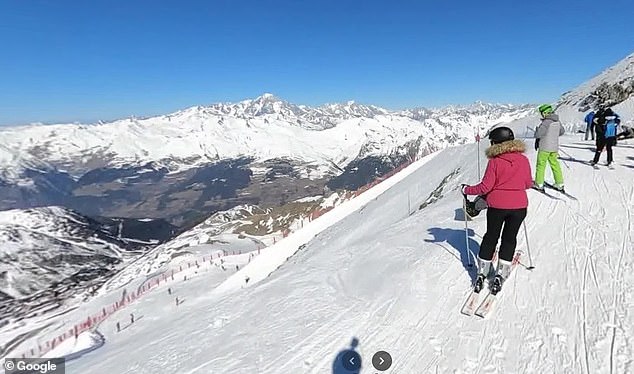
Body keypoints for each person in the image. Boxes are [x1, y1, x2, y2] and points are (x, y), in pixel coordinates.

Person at [461, 126, 533, 294]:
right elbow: (528, 184)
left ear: (495, 142)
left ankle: (482, 273)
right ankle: (501, 274)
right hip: (519, 207)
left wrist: (466, 190)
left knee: (491, 236)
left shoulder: (495, 161)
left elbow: (485, 187)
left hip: (497, 207)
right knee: (509, 238)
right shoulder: (523, 160)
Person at [533, 104, 565, 192]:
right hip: (554, 148)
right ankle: (559, 183)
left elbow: (538, 134)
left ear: (545, 113)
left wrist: (537, 130)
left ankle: (539, 184)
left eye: (542, 113)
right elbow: (562, 131)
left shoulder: (546, 122)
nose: (541, 115)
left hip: (544, 147)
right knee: (555, 164)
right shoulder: (557, 121)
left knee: (541, 165)